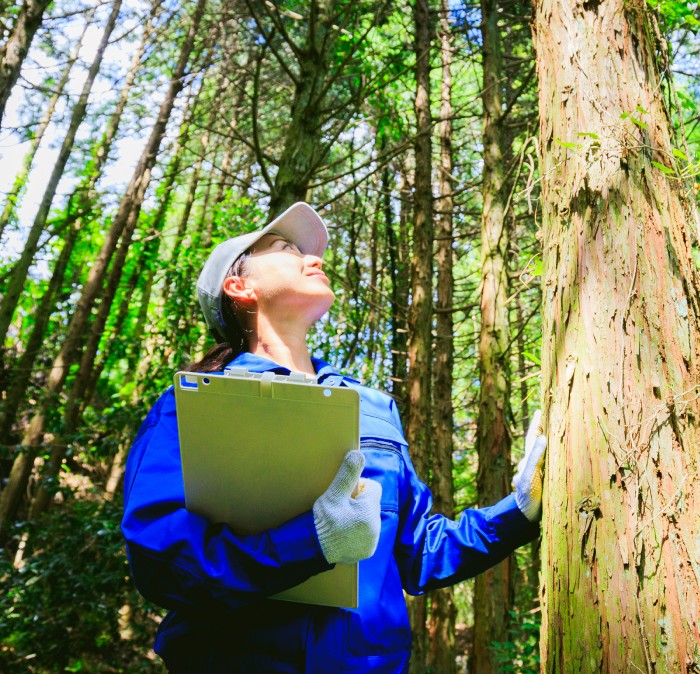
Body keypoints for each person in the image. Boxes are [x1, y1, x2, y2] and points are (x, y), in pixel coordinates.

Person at [122, 201, 547, 674]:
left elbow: (421, 552)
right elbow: (159, 558)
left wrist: (521, 510)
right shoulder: (191, 404)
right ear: (240, 287)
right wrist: (313, 541)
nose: (314, 258)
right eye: (286, 248)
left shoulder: (375, 408)